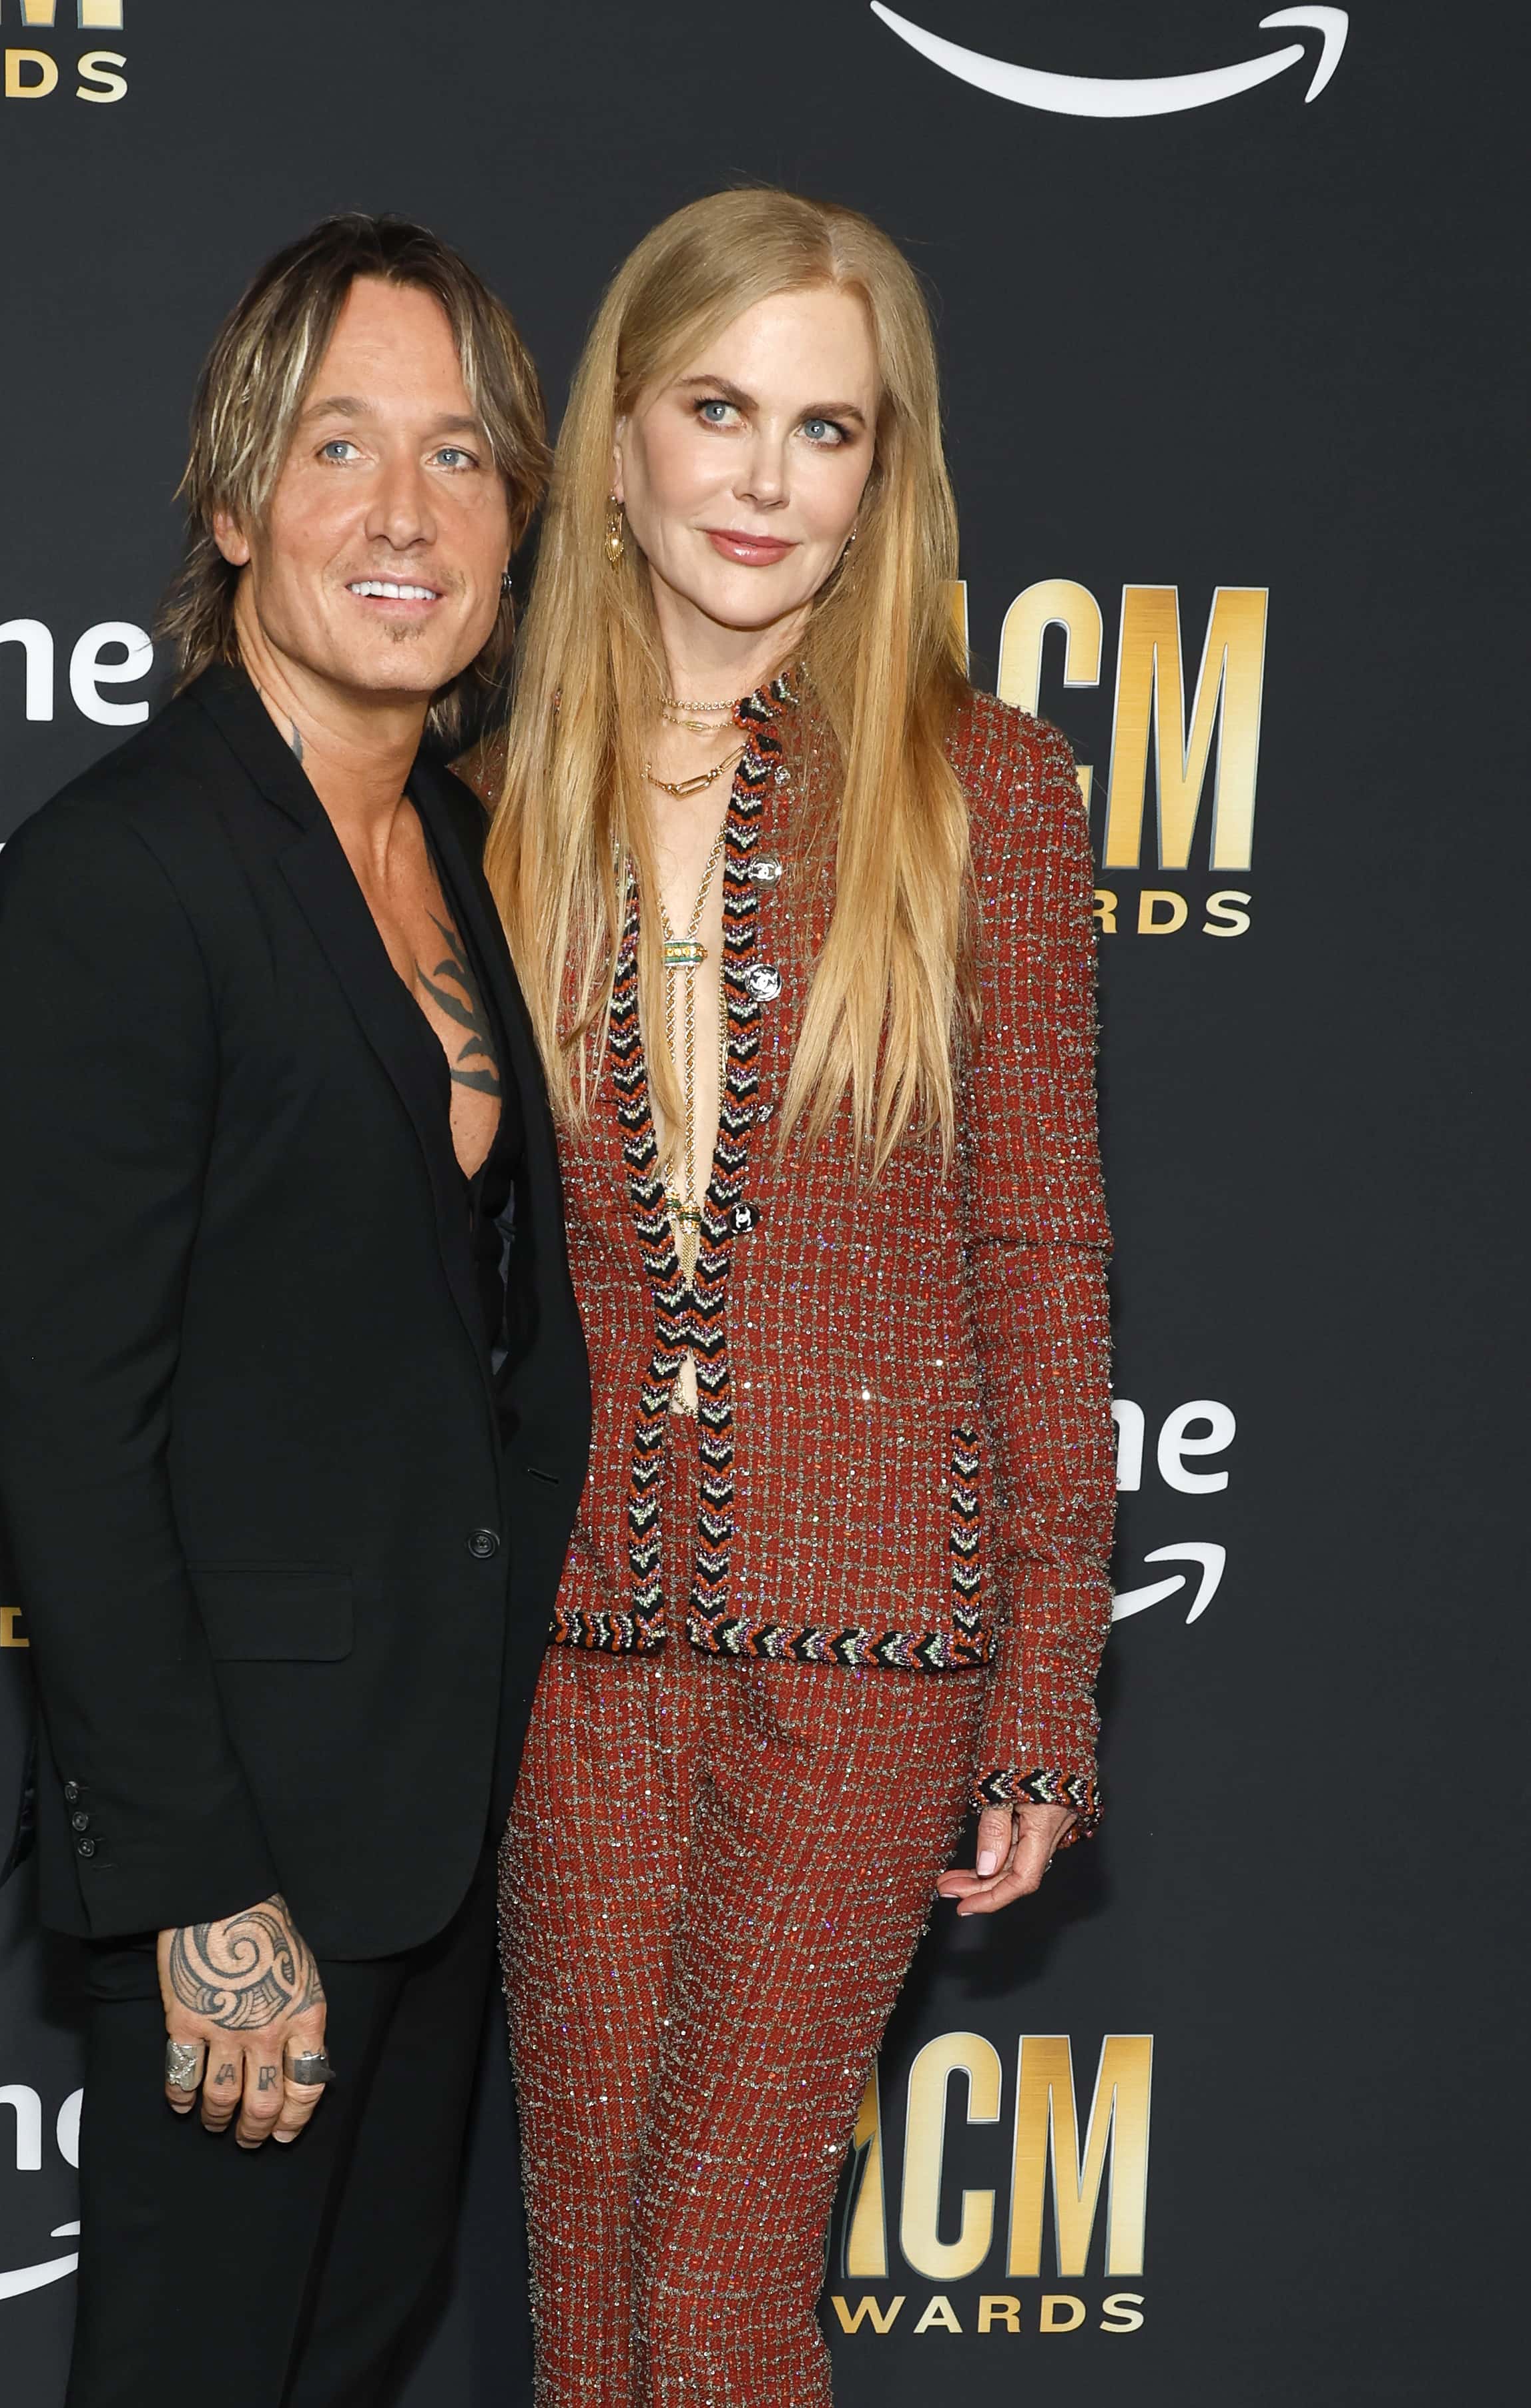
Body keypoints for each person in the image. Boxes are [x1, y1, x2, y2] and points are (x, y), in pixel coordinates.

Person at [471, 188, 1117, 2407]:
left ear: (884, 473)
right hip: (560, 1662)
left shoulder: (984, 794)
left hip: (864, 1654)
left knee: (718, 2300)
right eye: (718, 409)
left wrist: (1045, 1676)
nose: (763, 478)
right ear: (622, 444)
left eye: (825, 428)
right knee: (592, 2306)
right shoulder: (479, 803)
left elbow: (1037, 1247)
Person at [0, 214, 587, 2408]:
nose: (406, 517)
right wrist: (205, 1893)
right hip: (254, 1870)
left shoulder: (458, 860)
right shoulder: (120, 877)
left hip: (439, 1831)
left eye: (460, 457)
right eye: (339, 447)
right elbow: (73, 1438)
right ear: (235, 503)